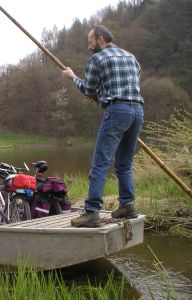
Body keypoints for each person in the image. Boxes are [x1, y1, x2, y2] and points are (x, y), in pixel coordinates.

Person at [62, 25, 144, 227]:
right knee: (124, 164)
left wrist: (73, 77)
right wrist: (103, 95)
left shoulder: (97, 60)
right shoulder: (131, 57)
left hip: (117, 112)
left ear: (100, 38)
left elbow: (88, 89)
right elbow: (128, 84)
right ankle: (127, 205)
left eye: (90, 42)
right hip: (137, 112)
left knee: (100, 163)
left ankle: (91, 212)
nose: (88, 46)